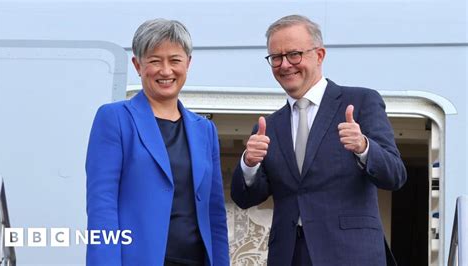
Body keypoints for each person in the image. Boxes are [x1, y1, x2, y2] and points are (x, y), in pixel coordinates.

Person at [231, 14, 407, 266]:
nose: (284, 65)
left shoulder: (360, 102)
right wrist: (249, 164)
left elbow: (395, 175)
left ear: (320, 55)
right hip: (290, 255)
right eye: (276, 58)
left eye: (294, 54)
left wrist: (364, 147)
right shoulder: (268, 126)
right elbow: (245, 197)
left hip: (350, 253)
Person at [86, 18, 229, 266]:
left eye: (175, 60)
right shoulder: (115, 119)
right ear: (137, 65)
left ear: (188, 63)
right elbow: (102, 208)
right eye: (154, 61)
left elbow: (215, 213)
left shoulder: (205, 130)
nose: (166, 70)